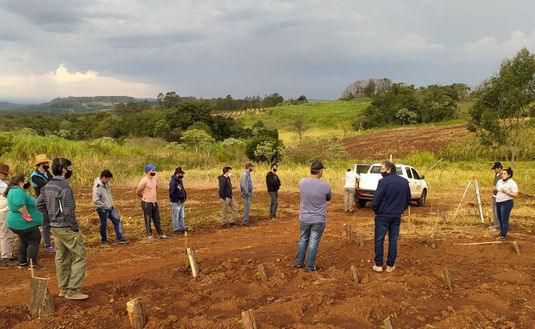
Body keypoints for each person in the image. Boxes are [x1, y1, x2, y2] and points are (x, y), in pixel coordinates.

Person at [36, 158, 88, 300]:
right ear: (64, 169)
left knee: (62, 257)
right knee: (80, 256)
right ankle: (73, 290)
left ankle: (63, 288)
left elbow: (38, 205)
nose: (70, 170)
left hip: (55, 227)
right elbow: (68, 211)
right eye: (69, 167)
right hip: (66, 227)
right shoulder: (64, 187)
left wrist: (52, 215)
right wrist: (74, 227)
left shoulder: (47, 186)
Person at [372, 161, 411, 273]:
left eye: (382, 169)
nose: (381, 171)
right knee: (393, 240)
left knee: (379, 240)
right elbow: (408, 199)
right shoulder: (404, 182)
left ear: (389, 170)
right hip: (396, 216)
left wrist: (377, 210)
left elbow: (376, 199)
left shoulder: (383, 182)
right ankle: (390, 265)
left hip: (383, 215)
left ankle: (379, 265)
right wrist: (400, 209)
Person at [295, 161, 332, 272]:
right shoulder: (325, 185)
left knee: (303, 239)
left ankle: (299, 263)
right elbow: (328, 198)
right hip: (318, 219)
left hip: (304, 217)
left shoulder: (302, 182)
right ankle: (309, 266)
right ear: (320, 171)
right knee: (313, 242)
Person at [5, 175, 44, 270]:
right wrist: (27, 216)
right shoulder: (17, 192)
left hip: (17, 223)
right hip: (23, 223)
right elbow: (20, 205)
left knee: (24, 240)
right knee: (34, 239)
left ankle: (22, 262)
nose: (28, 183)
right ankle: (32, 264)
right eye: (26, 181)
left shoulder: (14, 190)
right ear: (20, 182)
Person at [93, 170, 129, 245]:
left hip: (111, 208)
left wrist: (110, 204)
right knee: (103, 225)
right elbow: (95, 200)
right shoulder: (97, 187)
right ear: (103, 177)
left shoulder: (106, 184)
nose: (108, 181)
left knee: (117, 221)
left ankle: (120, 238)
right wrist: (104, 205)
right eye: (107, 179)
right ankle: (104, 240)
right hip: (103, 209)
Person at [136, 164, 169, 240]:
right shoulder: (144, 181)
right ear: (148, 171)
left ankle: (160, 234)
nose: (154, 172)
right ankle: (149, 235)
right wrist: (145, 196)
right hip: (146, 202)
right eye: (152, 170)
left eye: (154, 170)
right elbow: (138, 192)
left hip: (154, 201)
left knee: (157, 218)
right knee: (148, 219)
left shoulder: (155, 179)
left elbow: (155, 188)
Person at [30, 154, 55, 252]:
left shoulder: (47, 172)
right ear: (41, 164)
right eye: (46, 162)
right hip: (43, 202)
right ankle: (47, 245)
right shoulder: (34, 176)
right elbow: (48, 185)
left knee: (50, 223)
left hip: (50, 199)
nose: (48, 164)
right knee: (46, 224)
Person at [0, 164, 17, 266]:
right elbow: (11, 191)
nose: (5, 176)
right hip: (3, 211)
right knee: (6, 233)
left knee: (5, 233)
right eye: (4, 174)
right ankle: (6, 257)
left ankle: (7, 254)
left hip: (3, 210)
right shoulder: (1, 184)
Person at [495, 167, 518, 240]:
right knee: (500, 218)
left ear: (509, 175)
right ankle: (502, 232)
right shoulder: (499, 181)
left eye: (505, 174)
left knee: (504, 219)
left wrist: (506, 192)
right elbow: (497, 189)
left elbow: (516, 194)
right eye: (502, 173)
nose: (503, 175)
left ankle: (503, 235)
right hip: (498, 202)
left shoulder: (512, 183)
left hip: (506, 202)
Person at [169, 167, 188, 234]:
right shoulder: (173, 182)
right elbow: (171, 192)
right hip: (176, 202)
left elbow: (182, 189)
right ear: (177, 173)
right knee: (176, 216)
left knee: (182, 215)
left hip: (181, 201)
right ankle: (176, 229)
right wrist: (177, 199)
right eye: (181, 174)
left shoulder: (179, 180)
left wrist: (184, 196)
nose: (182, 175)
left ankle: (182, 227)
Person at [239, 163, 254, 227]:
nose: (252, 168)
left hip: (248, 193)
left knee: (247, 207)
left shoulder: (247, 174)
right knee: (247, 207)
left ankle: (246, 220)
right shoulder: (245, 175)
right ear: (249, 167)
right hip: (246, 194)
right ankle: (245, 221)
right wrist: (247, 193)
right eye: (251, 167)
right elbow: (244, 185)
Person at [490, 162, 503, 231]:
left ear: (499, 168)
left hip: (499, 196)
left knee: (497, 211)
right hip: (494, 195)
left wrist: (496, 188)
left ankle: (498, 226)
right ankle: (495, 224)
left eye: (495, 168)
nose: (494, 170)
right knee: (494, 210)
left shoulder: (502, 175)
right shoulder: (496, 174)